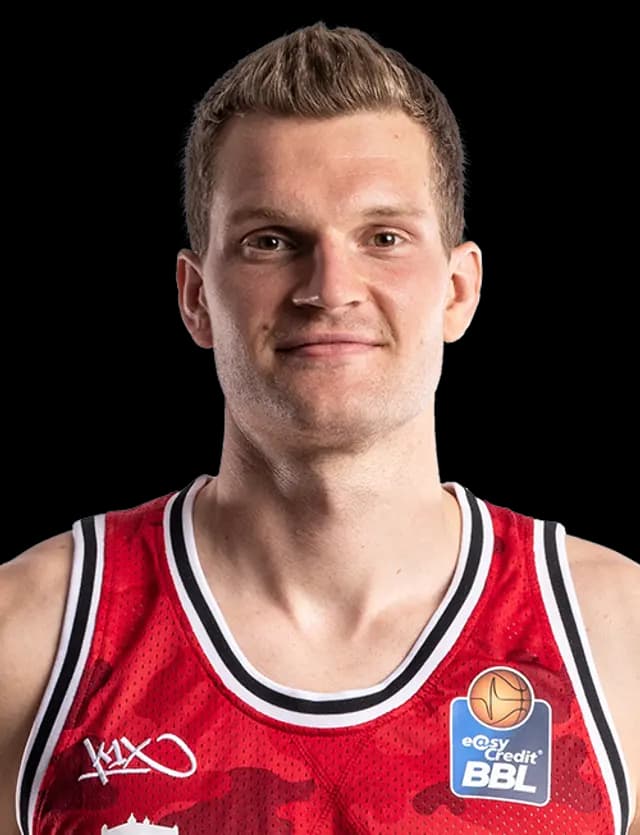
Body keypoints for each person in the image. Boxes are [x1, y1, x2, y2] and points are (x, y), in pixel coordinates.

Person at [1, 20, 638, 835]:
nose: (330, 288)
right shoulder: (32, 634)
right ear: (195, 297)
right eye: (271, 241)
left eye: (383, 237)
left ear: (458, 289)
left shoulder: (616, 636)